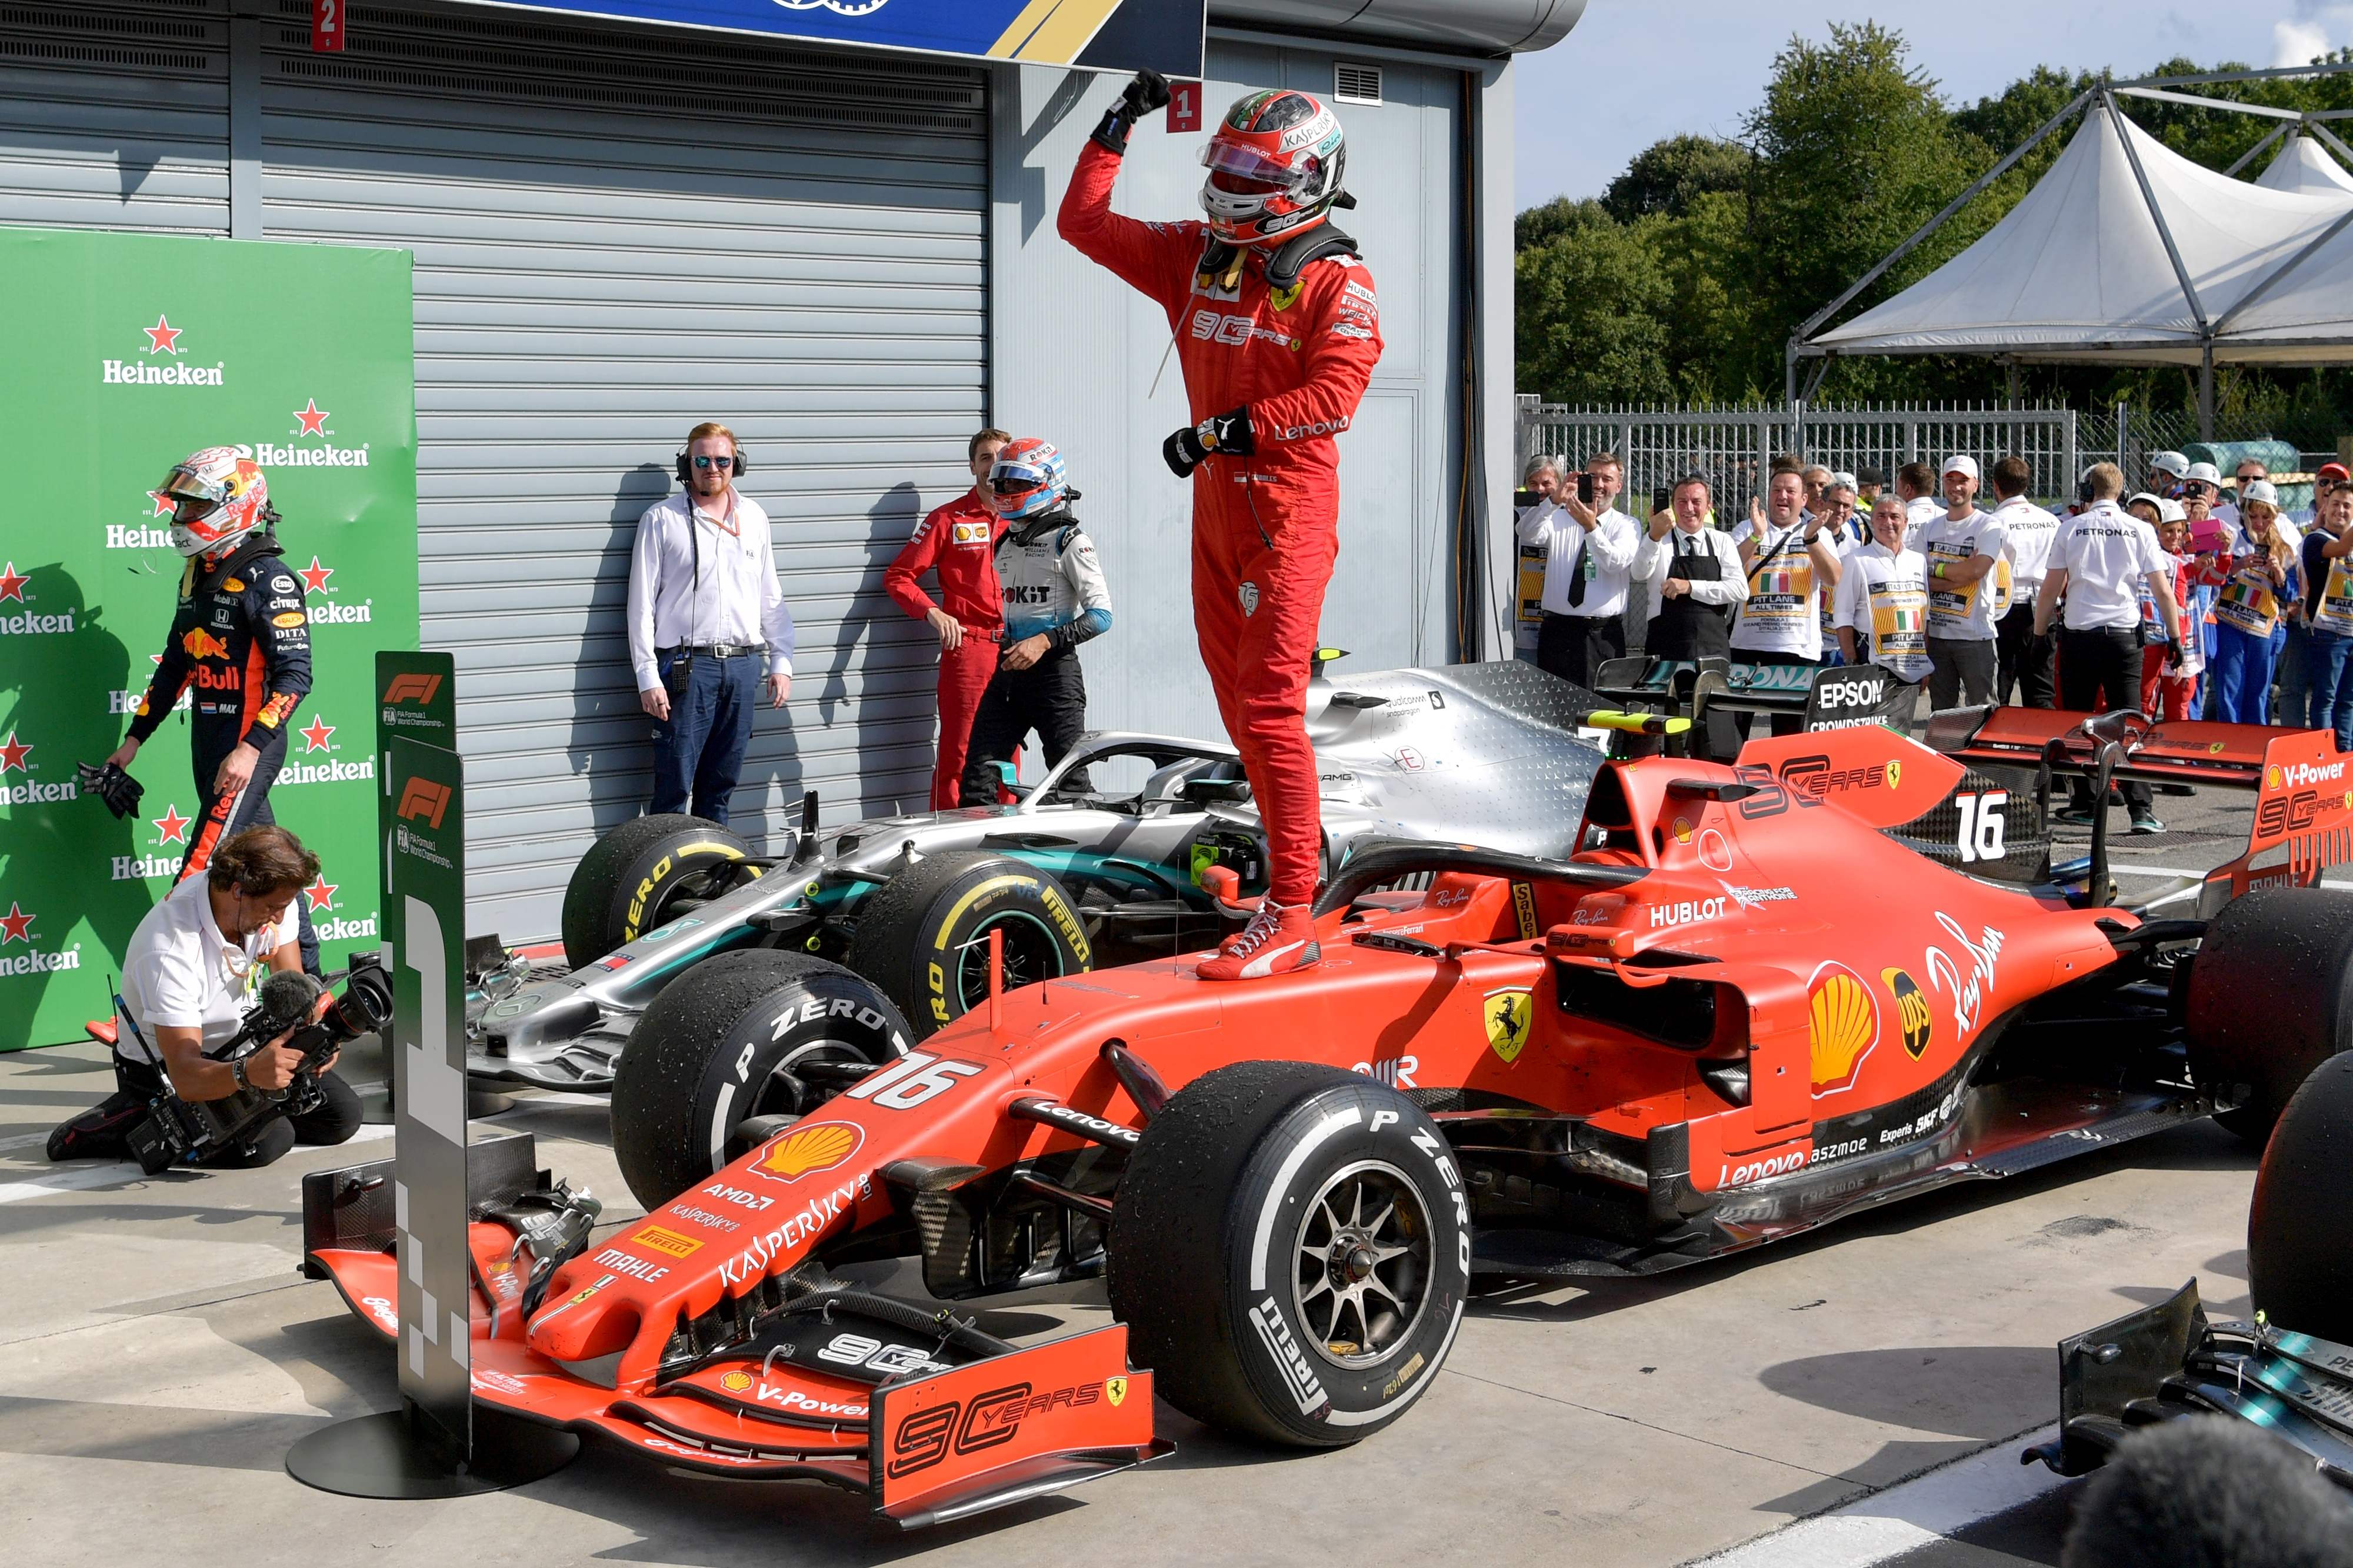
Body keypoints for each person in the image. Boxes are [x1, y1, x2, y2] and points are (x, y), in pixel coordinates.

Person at [1059, 70, 1382, 982]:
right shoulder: (1201, 255)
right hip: (1217, 507)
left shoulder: (1336, 277)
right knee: (1240, 708)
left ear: (1305, 180)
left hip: (1288, 508)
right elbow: (1082, 225)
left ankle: (1290, 912)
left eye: (1254, 173)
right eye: (1228, 167)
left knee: (1271, 703)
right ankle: (1296, 867)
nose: (1232, 186)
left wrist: (1230, 430)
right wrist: (1117, 123)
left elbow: (1337, 394)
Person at [104, 446, 318, 975]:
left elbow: (296, 678)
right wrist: (133, 742)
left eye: (194, 507)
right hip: (211, 748)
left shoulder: (271, 579)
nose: (182, 519)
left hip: (246, 751)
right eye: (179, 507)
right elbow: (175, 667)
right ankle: (308, 992)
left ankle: (157, 1014)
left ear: (236, 506)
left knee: (196, 878)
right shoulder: (197, 574)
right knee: (276, 865)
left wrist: (249, 750)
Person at [44, 826, 359, 1168]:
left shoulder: (272, 898)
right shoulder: (169, 947)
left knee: (340, 1117)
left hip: (240, 1044)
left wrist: (316, 1042)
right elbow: (186, 1074)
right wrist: (249, 1073)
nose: (280, 917)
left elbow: (294, 992)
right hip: (171, 1070)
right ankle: (132, 1118)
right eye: (273, 908)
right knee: (271, 1140)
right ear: (238, 891)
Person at [627, 421, 792, 829]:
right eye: (702, 460)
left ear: (737, 464)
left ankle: (710, 877)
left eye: (723, 460)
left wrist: (781, 661)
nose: (712, 468)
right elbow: (641, 604)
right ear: (687, 464)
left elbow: (770, 597)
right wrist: (648, 675)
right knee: (674, 786)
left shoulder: (754, 518)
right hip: (685, 668)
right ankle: (664, 879)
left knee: (720, 786)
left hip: (741, 668)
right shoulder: (661, 520)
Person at [956, 439, 1114, 808]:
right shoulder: (1005, 541)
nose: (1004, 491)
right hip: (1008, 672)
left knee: (1069, 786)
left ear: (1045, 483)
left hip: (1054, 677)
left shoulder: (1070, 540)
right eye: (1001, 483)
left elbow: (1102, 616)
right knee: (976, 783)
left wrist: (1043, 641)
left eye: (1015, 484)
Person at [2035, 463, 2185, 835]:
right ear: (2121, 492)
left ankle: (2086, 801)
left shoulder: (2069, 528)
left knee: (2079, 719)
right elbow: (2163, 590)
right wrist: (2176, 638)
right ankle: (2142, 809)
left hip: (2079, 633)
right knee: (2130, 719)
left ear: (2088, 490)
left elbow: (2051, 588)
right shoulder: (2139, 529)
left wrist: (2040, 636)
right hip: (2124, 634)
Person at [886, 428, 1012, 810]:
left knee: (1008, 755)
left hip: (1014, 649)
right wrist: (933, 612)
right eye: (985, 457)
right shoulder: (949, 518)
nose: (992, 464)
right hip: (968, 650)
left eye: (1000, 457)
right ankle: (945, 845)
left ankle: (1005, 839)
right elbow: (898, 577)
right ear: (972, 465)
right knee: (960, 753)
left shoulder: (1024, 518)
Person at [1731, 468, 1844, 732]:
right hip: (1747, 645)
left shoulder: (1817, 531)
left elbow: (1833, 578)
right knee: (1735, 729)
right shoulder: (1747, 528)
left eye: (1790, 491)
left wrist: (1812, 540)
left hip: (1796, 649)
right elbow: (1728, 570)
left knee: (1788, 734)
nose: (1783, 496)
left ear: (1804, 499)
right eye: (1776, 491)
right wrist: (1757, 536)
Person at [1519, 451, 1638, 689]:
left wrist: (1591, 528)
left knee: (1602, 713)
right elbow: (1526, 532)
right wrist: (1553, 501)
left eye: (1607, 479)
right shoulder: (1560, 516)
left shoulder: (1627, 525)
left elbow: (1616, 562)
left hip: (1601, 636)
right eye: (1593, 477)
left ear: (1619, 487)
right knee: (1553, 710)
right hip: (1557, 632)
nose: (1599, 485)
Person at [1919, 455, 2009, 710]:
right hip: (1937, 635)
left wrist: (1936, 569)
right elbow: (1918, 580)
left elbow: (1979, 569)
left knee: (1983, 710)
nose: (1956, 487)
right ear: (1943, 483)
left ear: (1976, 485)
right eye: (1951, 480)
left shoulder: (1988, 525)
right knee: (1943, 712)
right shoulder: (1929, 528)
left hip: (1975, 636)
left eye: (1963, 481)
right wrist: (1961, 575)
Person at [2209, 481, 2302, 725]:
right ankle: (2230, 745)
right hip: (2230, 624)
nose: (2259, 523)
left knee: (2259, 690)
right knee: (2229, 687)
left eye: (2265, 517)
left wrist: (2279, 574)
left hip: (2264, 628)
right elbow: (2214, 581)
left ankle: (2253, 748)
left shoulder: (2285, 549)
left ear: (2274, 517)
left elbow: (2291, 593)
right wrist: (2237, 566)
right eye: (2253, 516)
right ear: (2244, 513)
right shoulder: (2231, 542)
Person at [1636, 475, 1748, 660]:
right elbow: (1639, 573)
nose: (1689, 508)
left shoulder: (1722, 541)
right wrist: (1653, 537)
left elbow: (1740, 590)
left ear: (1708, 506)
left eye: (1696, 502)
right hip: (1665, 645)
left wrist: (1689, 586)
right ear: (1673, 505)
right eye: (1682, 501)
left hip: (1713, 647)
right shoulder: (1658, 539)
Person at [1833, 493, 1933, 694]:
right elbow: (1843, 615)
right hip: (1870, 661)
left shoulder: (1918, 560)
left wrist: (1924, 665)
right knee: (1873, 725)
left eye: (1895, 517)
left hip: (1910, 663)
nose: (1888, 522)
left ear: (1905, 522)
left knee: (1902, 725)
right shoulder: (1856, 559)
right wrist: (1851, 662)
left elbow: (1925, 617)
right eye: (1881, 516)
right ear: (1872, 521)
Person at [1988, 455, 2058, 707]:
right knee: (2041, 685)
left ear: (1995, 486)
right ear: (2027, 484)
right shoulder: (2051, 521)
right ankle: (2042, 742)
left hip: (2005, 608)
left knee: (2001, 684)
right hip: (2044, 605)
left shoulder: (1994, 522)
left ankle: (1998, 741)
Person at [2137, 499, 2206, 723]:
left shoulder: (2182, 561)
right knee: (2143, 703)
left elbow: (2216, 571)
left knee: (2180, 709)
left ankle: (2182, 758)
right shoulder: (2140, 555)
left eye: (2180, 531)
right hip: (2147, 641)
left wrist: (2203, 526)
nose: (2175, 536)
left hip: (2177, 643)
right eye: (2168, 530)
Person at [2298, 479, 2353, 750]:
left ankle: (2345, 755)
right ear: (2325, 508)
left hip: (2352, 631)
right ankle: (2322, 755)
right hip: (2329, 632)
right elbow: (2341, 550)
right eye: (2335, 504)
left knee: (2349, 699)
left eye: (2347, 506)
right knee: (2326, 697)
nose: (2340, 511)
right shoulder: (2315, 539)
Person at [1896, 461, 1941, 529]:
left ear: (1908, 489)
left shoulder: (1895, 522)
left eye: (1897, 486)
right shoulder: (1949, 518)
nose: (1896, 491)